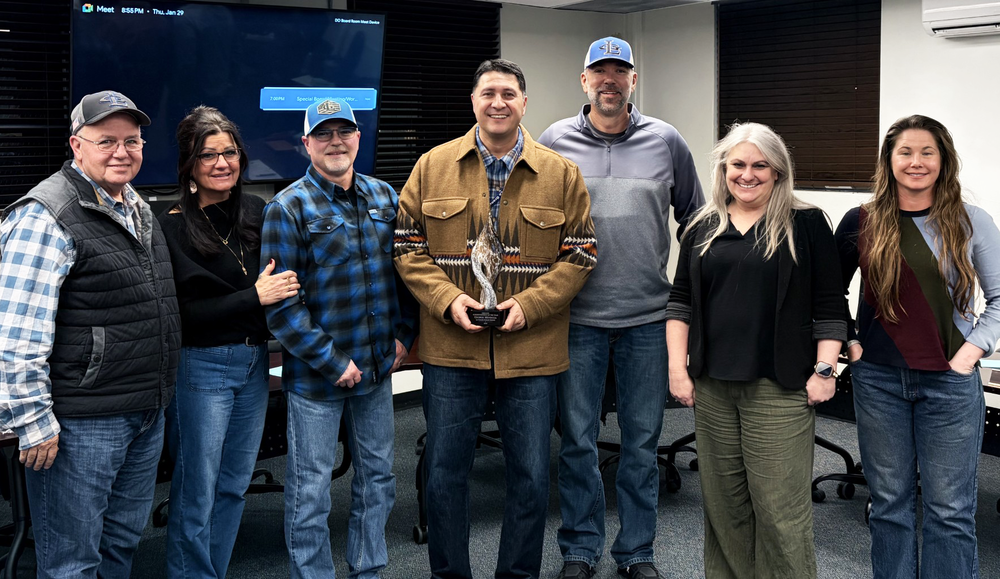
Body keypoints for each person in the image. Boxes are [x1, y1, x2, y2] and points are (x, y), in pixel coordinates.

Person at [393, 58, 597, 579]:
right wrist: (447, 300)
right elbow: (407, 246)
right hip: (450, 348)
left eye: (509, 93)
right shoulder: (432, 166)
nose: (498, 102)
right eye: (488, 93)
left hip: (532, 351)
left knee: (529, 477)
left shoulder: (560, 172)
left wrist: (528, 305)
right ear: (474, 101)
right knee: (443, 474)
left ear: (524, 103)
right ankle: (449, 574)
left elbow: (581, 253)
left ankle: (518, 575)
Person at [537, 36, 704, 579]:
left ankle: (637, 553)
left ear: (634, 80)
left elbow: (698, 225)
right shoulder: (554, 140)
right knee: (578, 443)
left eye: (620, 72)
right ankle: (580, 551)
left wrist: (686, 296)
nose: (610, 81)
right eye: (599, 72)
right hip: (576, 319)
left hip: (647, 321)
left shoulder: (666, 140)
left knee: (640, 446)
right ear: (583, 80)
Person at [0, 90, 181, 578]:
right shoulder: (44, 214)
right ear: (77, 146)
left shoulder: (135, 204)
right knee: (71, 563)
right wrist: (34, 421)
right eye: (107, 141)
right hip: (82, 423)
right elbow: (15, 335)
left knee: (121, 545)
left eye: (132, 141)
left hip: (143, 411)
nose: (122, 152)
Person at [665, 122, 845, 579]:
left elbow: (830, 304)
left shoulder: (805, 224)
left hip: (778, 387)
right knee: (724, 508)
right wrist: (677, 370)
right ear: (724, 169)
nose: (747, 174)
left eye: (759, 165)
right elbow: (680, 301)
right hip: (713, 386)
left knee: (780, 512)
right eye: (738, 165)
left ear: (778, 171)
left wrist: (825, 369)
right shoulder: (703, 226)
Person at [835, 115, 1000, 579]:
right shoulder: (861, 220)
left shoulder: (971, 221)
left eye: (928, 152)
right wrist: (851, 342)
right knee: (889, 505)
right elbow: (825, 291)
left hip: (949, 384)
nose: (916, 162)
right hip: (879, 381)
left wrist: (971, 352)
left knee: (950, 510)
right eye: (905, 152)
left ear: (944, 160)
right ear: (889, 160)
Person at [262, 98, 416, 579]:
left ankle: (367, 569)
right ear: (305, 143)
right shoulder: (285, 208)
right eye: (323, 134)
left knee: (379, 481)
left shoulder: (385, 197)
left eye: (344, 132)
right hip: (317, 381)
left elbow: (408, 274)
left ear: (357, 137)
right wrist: (334, 362)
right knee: (310, 490)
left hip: (376, 370)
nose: (335, 142)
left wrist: (403, 337)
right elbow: (281, 308)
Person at [158, 106, 300, 578]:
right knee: (196, 491)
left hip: (254, 362)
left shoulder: (258, 213)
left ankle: (211, 572)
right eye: (209, 155)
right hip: (201, 369)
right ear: (189, 165)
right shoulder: (172, 225)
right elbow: (183, 315)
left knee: (235, 484)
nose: (223, 163)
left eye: (231, 152)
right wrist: (253, 297)